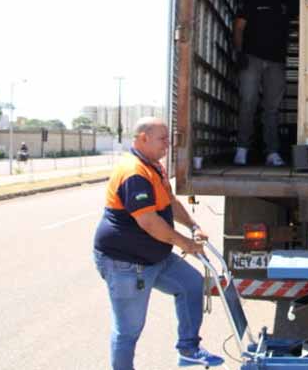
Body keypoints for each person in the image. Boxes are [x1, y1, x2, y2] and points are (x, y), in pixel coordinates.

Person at [93, 117, 223, 369]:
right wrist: (186, 244)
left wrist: (193, 227)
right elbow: (149, 222)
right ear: (143, 138)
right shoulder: (134, 173)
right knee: (128, 331)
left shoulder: (154, 166)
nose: (168, 145)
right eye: (163, 139)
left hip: (156, 257)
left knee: (191, 284)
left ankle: (188, 349)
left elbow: (170, 202)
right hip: (126, 263)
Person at [233, 0, 290, 167]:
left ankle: (272, 152)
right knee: (248, 102)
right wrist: (239, 53)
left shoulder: (285, 3)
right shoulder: (252, 0)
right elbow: (239, 27)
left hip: (276, 62)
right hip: (252, 58)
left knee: (272, 109)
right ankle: (242, 149)